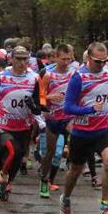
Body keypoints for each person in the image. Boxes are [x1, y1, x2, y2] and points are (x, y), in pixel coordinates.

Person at [61, 42, 108, 214]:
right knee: (76, 170)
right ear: (88, 59)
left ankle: (104, 207)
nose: (101, 64)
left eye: (104, 60)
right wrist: (89, 109)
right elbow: (68, 107)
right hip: (82, 133)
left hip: (102, 130)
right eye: (97, 61)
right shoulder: (79, 78)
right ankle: (66, 198)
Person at [0, 46, 43, 214]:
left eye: (25, 59)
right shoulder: (1, 77)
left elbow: (38, 107)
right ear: (11, 59)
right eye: (18, 59)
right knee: (13, 152)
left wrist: (33, 106)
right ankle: (1, 182)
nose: (22, 63)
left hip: (22, 126)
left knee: (16, 160)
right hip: (1, 125)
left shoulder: (34, 78)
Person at [38, 44, 75, 199]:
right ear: (55, 57)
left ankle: (72, 178)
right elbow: (39, 97)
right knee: (51, 152)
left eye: (69, 58)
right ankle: (44, 179)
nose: (66, 62)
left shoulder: (75, 73)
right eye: (63, 59)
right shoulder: (48, 75)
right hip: (53, 118)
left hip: (69, 117)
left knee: (78, 144)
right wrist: (48, 97)